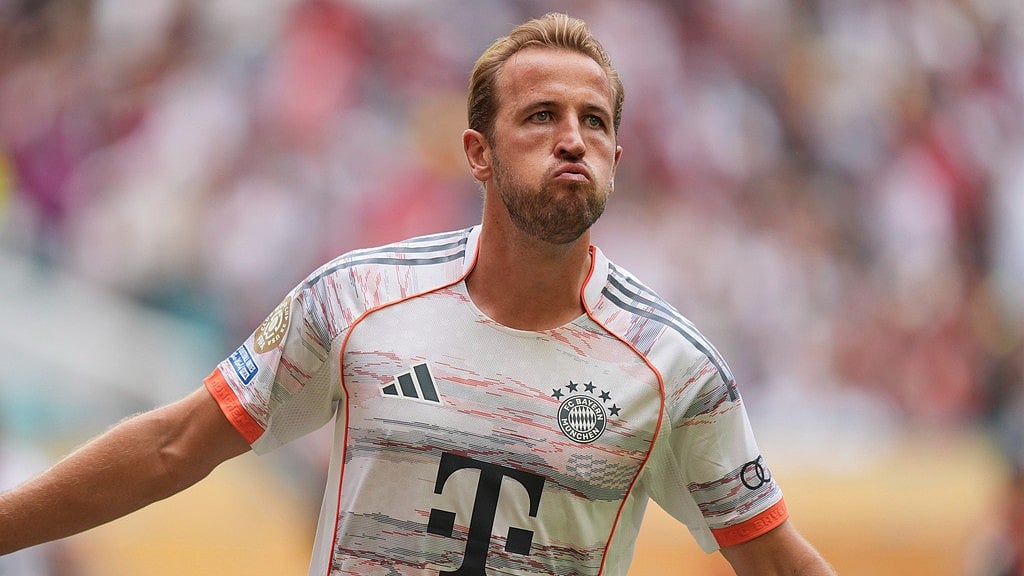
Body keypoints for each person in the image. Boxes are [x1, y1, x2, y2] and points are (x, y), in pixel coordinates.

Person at [0, 13, 835, 575]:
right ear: (477, 153)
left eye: (596, 121)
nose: (574, 139)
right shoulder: (356, 299)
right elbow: (173, 445)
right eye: (541, 116)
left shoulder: (675, 370)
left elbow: (774, 559)